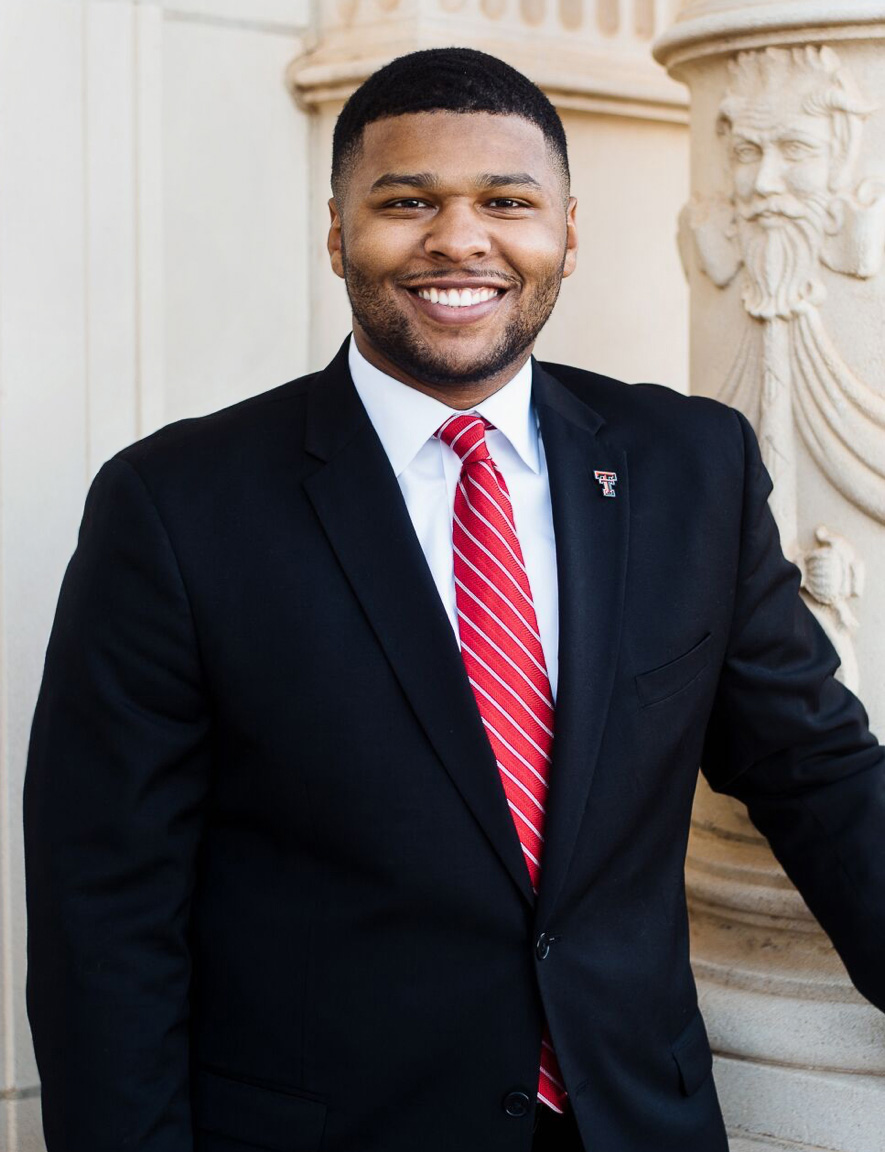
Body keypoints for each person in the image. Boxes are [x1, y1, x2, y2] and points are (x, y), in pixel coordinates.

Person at [23, 46, 885, 1152]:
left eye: (507, 201)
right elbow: (107, 914)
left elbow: (814, 768)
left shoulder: (691, 466)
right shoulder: (175, 508)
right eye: (407, 201)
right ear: (337, 232)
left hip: (632, 1118)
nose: (460, 239)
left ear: (567, 235)